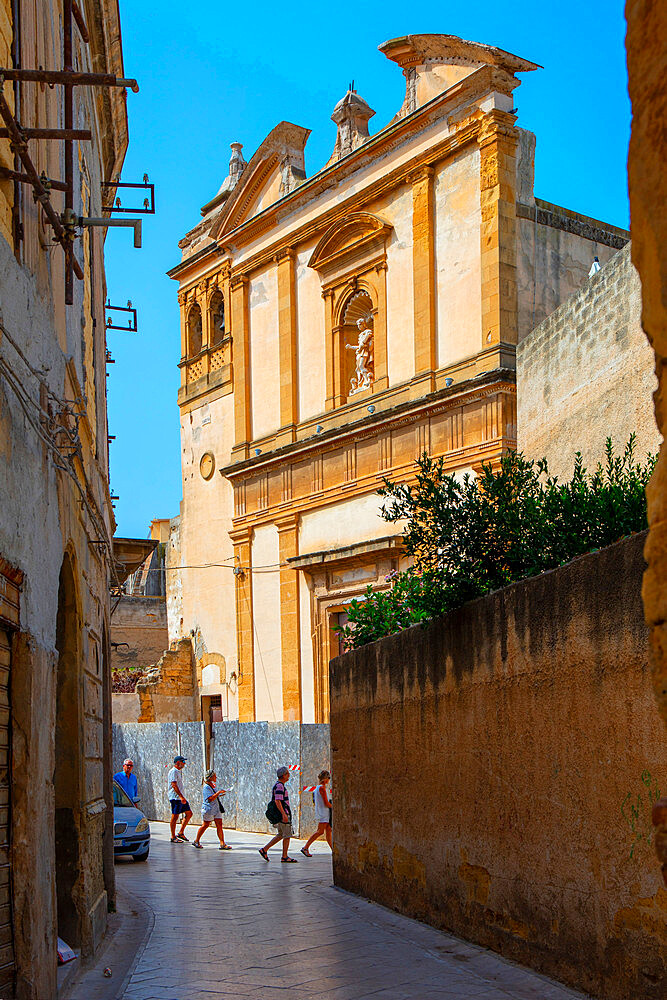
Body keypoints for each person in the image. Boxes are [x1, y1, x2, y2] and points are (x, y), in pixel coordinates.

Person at [258, 766, 297, 863]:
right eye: (287, 774)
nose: (289, 775)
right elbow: (278, 801)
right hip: (283, 814)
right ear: (283, 775)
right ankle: (284, 856)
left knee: (280, 834)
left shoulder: (278, 785)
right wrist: (284, 815)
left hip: (281, 814)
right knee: (287, 835)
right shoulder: (280, 786)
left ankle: (264, 849)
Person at [192, 770, 232, 850]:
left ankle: (222, 843)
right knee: (206, 824)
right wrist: (218, 793)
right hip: (209, 808)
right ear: (210, 777)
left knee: (219, 825)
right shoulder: (206, 787)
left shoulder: (213, 785)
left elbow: (214, 796)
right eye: (214, 776)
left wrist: (220, 793)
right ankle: (196, 840)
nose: (216, 777)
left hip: (216, 808)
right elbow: (210, 798)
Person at [301, 771, 333, 857]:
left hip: (324, 812)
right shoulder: (322, 788)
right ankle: (305, 847)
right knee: (320, 831)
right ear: (325, 778)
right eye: (328, 778)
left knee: (328, 831)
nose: (329, 780)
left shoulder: (318, 788)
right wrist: (334, 807)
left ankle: (334, 850)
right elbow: (326, 803)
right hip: (324, 812)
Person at [168, 755, 192, 843]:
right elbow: (174, 784)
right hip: (175, 798)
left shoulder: (177, 772)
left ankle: (181, 832)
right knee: (175, 816)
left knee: (189, 813)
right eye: (183, 762)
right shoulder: (173, 771)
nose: (184, 764)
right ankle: (173, 836)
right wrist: (181, 797)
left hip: (180, 797)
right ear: (178, 762)